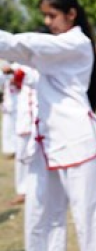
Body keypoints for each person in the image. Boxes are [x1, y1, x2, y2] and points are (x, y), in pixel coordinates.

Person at [0, 0, 96, 251]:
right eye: (45, 16)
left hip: (77, 142)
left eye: (52, 15)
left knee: (92, 218)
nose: (47, 22)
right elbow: (26, 60)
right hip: (46, 144)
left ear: (71, 14)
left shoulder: (75, 44)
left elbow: (24, 46)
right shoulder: (52, 52)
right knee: (40, 215)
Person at [4, 63, 39, 206]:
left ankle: (40, 189)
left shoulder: (42, 62)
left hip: (41, 118)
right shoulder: (17, 64)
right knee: (22, 155)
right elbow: (13, 79)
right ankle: (23, 191)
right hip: (24, 118)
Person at [1, 64, 18, 158]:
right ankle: (10, 150)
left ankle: (18, 149)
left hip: (20, 104)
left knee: (18, 128)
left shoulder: (19, 66)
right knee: (8, 128)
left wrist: (12, 71)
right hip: (8, 104)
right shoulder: (4, 70)